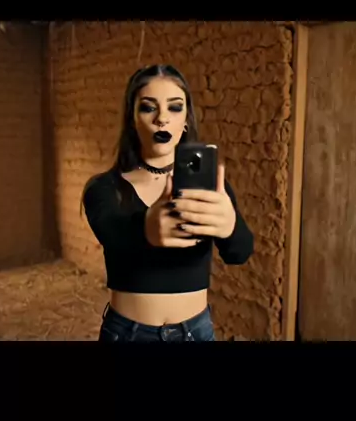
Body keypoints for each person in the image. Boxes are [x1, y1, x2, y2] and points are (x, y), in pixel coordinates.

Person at [81, 64, 254, 342]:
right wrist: (146, 229)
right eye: (148, 108)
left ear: (186, 120)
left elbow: (240, 253)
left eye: (174, 107)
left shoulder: (209, 187)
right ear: (132, 119)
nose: (162, 118)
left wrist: (231, 227)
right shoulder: (105, 188)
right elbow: (113, 234)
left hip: (196, 334)